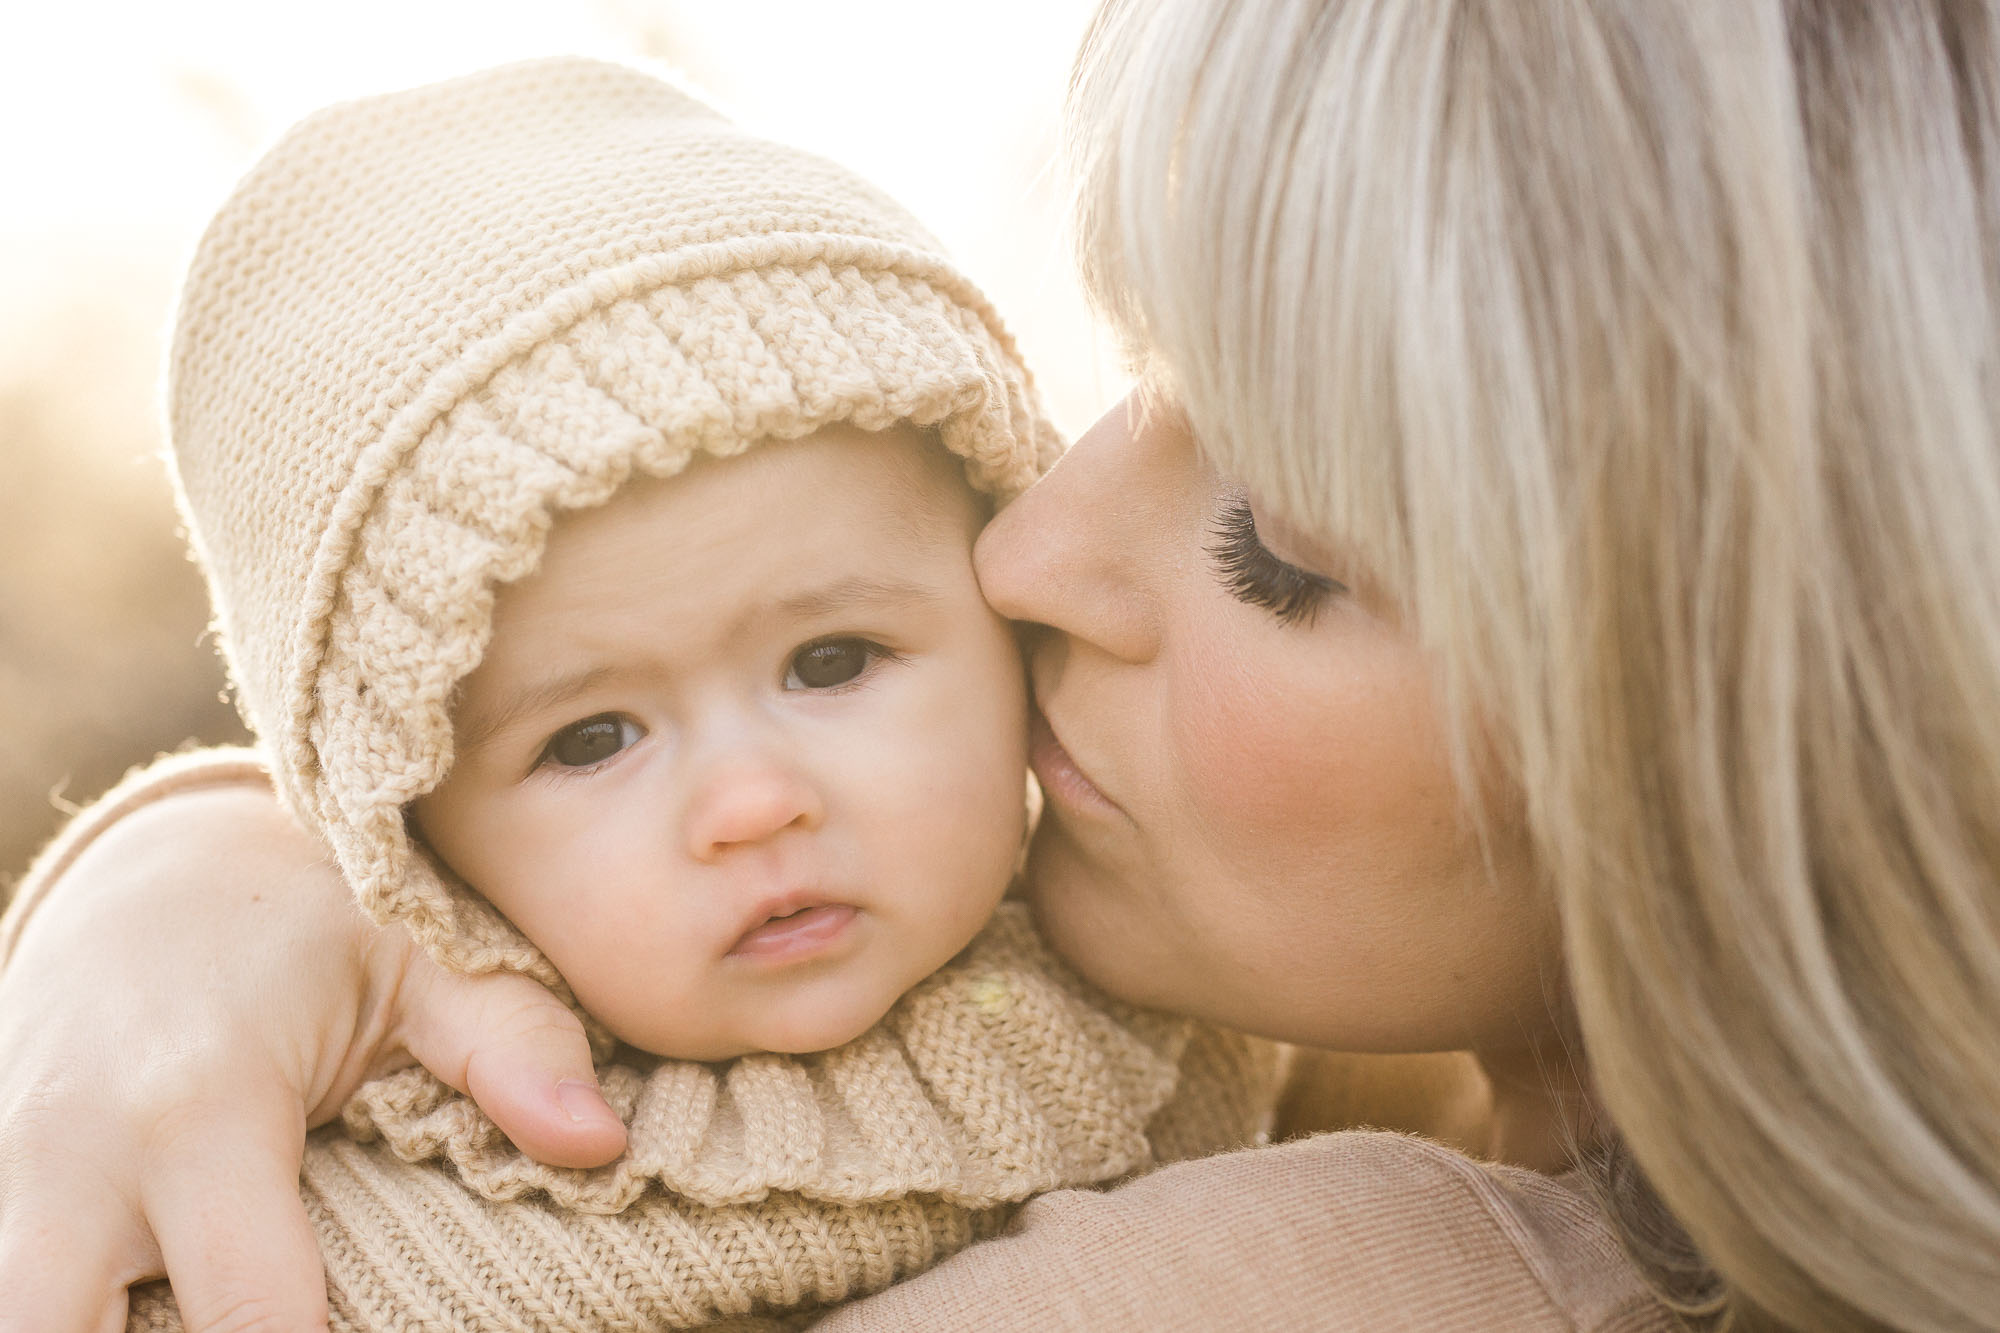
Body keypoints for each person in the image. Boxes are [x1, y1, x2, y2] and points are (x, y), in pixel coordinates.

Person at [4, 1, 1999, 1329]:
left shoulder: (1346, 1279)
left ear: (1774, 724)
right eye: (1138, 374)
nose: (1028, 548)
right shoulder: (1245, 1070)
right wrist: (230, 859)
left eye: (1277, 546)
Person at [67, 57, 1273, 1331]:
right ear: (410, 840)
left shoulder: (1197, 950)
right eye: (590, 738)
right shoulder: (366, 1218)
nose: (752, 804)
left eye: (832, 660)